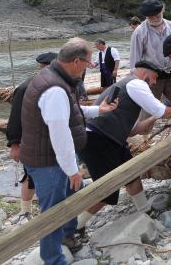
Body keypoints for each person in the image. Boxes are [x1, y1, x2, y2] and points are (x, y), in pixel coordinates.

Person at [19, 38, 116, 263]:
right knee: (52, 214)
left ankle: (68, 236)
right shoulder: (54, 88)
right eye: (88, 63)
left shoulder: (52, 78)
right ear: (75, 61)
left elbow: (69, 111)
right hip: (48, 162)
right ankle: (53, 258)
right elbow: (59, 133)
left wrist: (97, 110)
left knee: (75, 193)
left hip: (49, 158)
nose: (88, 67)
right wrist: (72, 170)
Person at [76, 61, 171, 233]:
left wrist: (154, 118)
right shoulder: (136, 83)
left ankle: (145, 212)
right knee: (108, 190)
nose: (154, 83)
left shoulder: (128, 87)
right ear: (145, 74)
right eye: (154, 78)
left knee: (132, 175)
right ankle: (75, 226)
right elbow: (161, 110)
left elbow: (132, 131)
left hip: (111, 139)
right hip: (97, 140)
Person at [7, 51, 57, 221]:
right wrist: (14, 145)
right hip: (30, 141)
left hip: (48, 139)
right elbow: (14, 119)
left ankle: (44, 209)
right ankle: (25, 211)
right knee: (30, 175)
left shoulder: (54, 84)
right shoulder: (24, 88)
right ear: (44, 67)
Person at [129, 0, 171, 107]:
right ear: (146, 16)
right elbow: (134, 60)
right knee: (148, 111)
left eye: (158, 15)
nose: (155, 19)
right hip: (151, 78)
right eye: (151, 17)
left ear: (162, 11)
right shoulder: (139, 32)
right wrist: (136, 82)